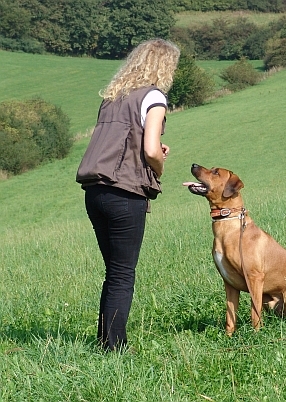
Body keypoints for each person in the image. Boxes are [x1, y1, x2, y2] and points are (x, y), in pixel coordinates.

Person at [76, 39, 180, 351]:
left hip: (95, 193)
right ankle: (114, 349)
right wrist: (159, 165)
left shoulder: (113, 97)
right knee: (123, 275)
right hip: (124, 194)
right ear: (164, 66)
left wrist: (150, 150)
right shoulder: (154, 97)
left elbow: (120, 143)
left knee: (114, 273)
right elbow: (149, 149)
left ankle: (104, 342)